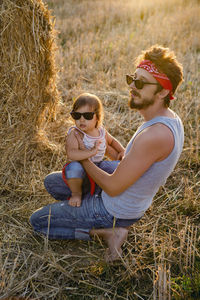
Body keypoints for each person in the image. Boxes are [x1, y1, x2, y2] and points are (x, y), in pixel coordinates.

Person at [30, 45, 184, 262]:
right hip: (126, 191)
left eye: (140, 83)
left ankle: (106, 231)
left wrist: (83, 156)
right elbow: (124, 159)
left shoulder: (155, 135)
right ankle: (86, 204)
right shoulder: (169, 118)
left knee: (38, 221)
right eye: (132, 78)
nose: (132, 86)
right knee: (52, 183)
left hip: (115, 207)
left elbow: (112, 187)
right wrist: (112, 149)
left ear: (163, 92)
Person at [62, 92, 125, 207]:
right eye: (77, 115)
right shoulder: (75, 133)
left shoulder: (101, 131)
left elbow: (112, 142)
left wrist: (121, 151)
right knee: (73, 169)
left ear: (97, 117)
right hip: (81, 169)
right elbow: (71, 153)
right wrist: (91, 152)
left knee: (115, 167)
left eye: (87, 116)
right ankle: (76, 194)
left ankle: (100, 192)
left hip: (98, 167)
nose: (81, 120)